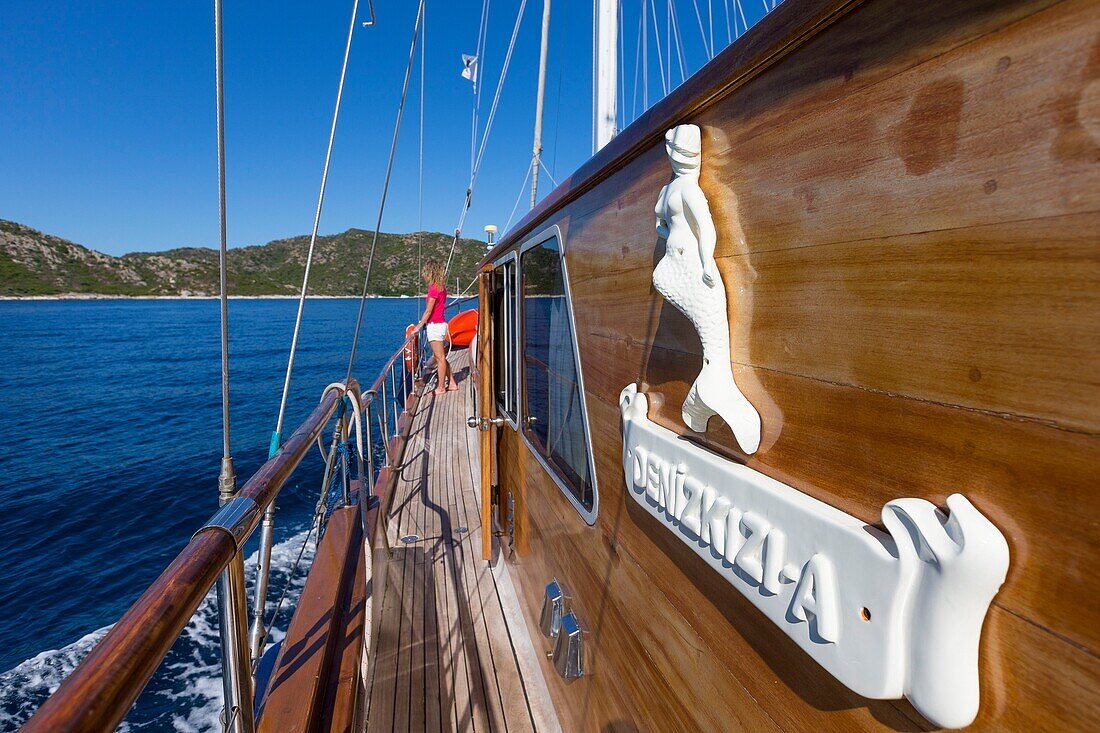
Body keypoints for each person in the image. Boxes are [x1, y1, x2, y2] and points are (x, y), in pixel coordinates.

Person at [415, 258, 458, 395]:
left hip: (434, 326)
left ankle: (440, 388)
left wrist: (419, 325)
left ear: (430, 272)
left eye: (426, 272)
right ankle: (451, 382)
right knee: (441, 357)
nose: (425, 275)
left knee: (439, 358)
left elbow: (428, 310)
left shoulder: (434, 289)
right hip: (441, 324)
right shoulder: (442, 288)